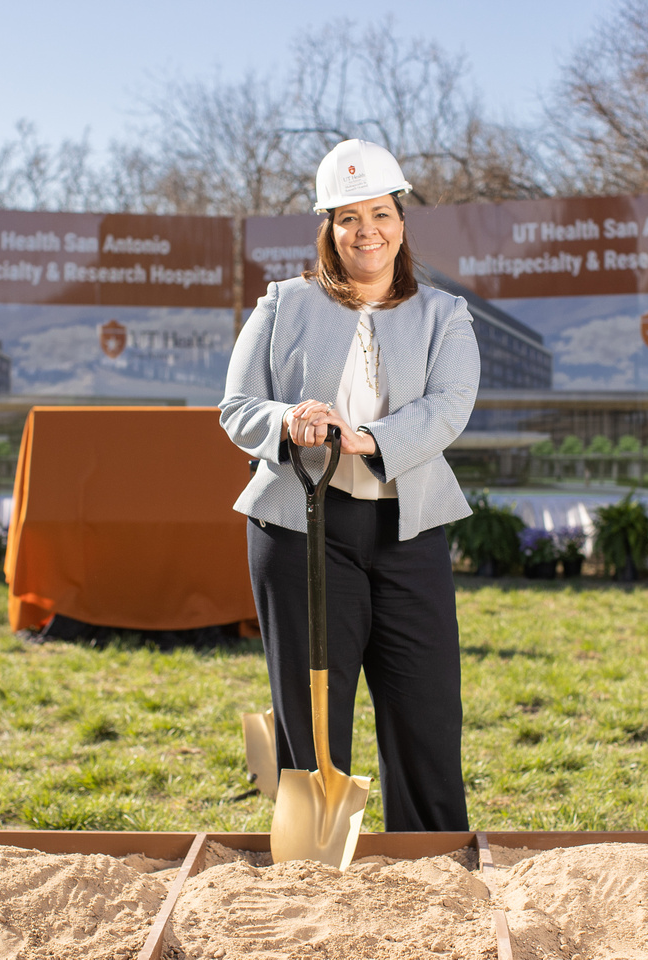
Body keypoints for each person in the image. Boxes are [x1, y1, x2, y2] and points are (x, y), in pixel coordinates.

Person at [219, 139, 480, 831]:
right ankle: (314, 862)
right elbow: (238, 409)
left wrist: (370, 440)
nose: (367, 231)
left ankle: (432, 856)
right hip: (301, 528)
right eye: (348, 218)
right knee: (311, 712)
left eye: (380, 214)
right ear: (328, 229)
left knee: (426, 710)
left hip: (408, 528)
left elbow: (448, 407)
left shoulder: (443, 315)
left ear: (401, 221)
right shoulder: (282, 305)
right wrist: (289, 418)